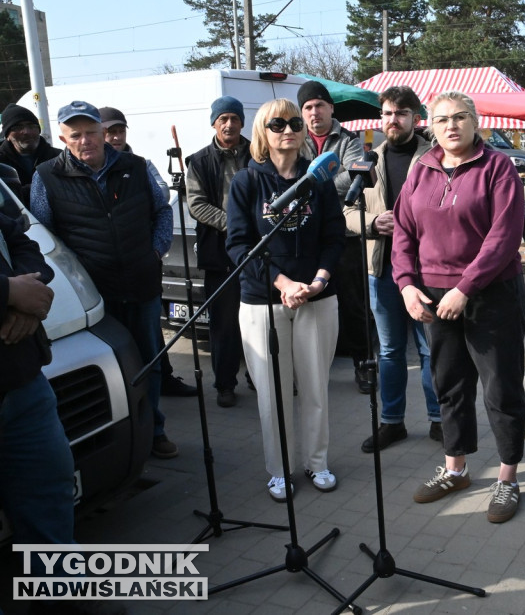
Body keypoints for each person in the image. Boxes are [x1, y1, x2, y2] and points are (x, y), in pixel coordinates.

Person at [392, 91, 525, 524]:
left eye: (460, 117)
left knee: (501, 387)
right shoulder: (422, 169)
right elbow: (403, 231)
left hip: (491, 293)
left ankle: (507, 478)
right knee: (448, 384)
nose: (451, 125)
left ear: (475, 121)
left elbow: (504, 236)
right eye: (441, 119)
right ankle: (456, 470)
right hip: (433, 295)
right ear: (429, 126)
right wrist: (406, 285)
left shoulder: (498, 168)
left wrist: (465, 287)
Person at [31, 101, 178, 459]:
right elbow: (45, 236)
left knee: (149, 362)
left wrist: (155, 251)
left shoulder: (136, 167)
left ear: (103, 133)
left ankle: (153, 430)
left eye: (91, 133)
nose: (85, 141)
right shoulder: (46, 176)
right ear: (63, 139)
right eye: (75, 135)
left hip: (142, 286)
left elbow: (162, 211)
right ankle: (119, 437)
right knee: (109, 368)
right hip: (94, 296)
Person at [225, 98, 344, 501]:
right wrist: (283, 283)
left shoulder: (318, 180)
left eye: (295, 123)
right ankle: (279, 470)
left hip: (317, 297)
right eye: (277, 124)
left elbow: (334, 237)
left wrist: (319, 279)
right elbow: (239, 246)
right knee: (273, 393)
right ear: (262, 131)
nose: (288, 130)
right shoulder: (246, 182)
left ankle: (317, 462)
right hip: (263, 300)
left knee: (315, 388)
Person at [344, 85, 442, 453]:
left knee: (431, 350)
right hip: (382, 271)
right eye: (387, 113)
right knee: (389, 351)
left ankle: (439, 420)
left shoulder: (435, 157)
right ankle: (392, 422)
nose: (393, 119)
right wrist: (372, 222)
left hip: (427, 272)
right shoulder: (367, 161)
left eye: (400, 113)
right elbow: (346, 210)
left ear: (415, 118)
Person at [99, 105, 196, 399]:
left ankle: (162, 381)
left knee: (151, 334)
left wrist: (155, 251)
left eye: (120, 131)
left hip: (142, 266)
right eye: (110, 132)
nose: (116, 137)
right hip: (105, 274)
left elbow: (162, 195)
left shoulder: (141, 164)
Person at [0, 210, 76, 575]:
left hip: (23, 386)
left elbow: (22, 244)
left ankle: (62, 595)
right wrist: (9, 292)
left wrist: (28, 300)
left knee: (49, 497)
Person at [297, 80, 370, 393]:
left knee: (353, 304)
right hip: (304, 236)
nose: (314, 112)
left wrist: (308, 186)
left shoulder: (349, 139)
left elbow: (353, 176)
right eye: (308, 108)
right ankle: (306, 371)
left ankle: (364, 364)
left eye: (319, 105)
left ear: (330, 108)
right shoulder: (295, 138)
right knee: (306, 303)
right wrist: (321, 183)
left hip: (344, 233)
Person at [185, 96, 253, 408]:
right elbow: (196, 204)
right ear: (214, 123)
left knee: (260, 319)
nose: (229, 124)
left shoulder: (258, 153)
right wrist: (233, 225)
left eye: (234, 118)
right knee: (224, 324)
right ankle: (225, 384)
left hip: (257, 250)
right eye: (223, 118)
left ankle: (259, 376)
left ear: (242, 122)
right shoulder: (199, 161)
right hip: (220, 253)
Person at [0, 102, 61, 203]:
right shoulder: (2, 162)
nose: (26, 132)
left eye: (31, 126)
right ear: (7, 136)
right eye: (18, 127)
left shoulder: (58, 157)